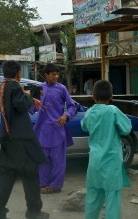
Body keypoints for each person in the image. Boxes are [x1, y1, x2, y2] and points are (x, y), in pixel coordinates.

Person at [0, 60, 49, 219]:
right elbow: (20, 105)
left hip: (9, 139)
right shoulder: (14, 86)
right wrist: (31, 95)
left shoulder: (4, 86)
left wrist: (26, 95)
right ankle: (34, 211)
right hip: (22, 140)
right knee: (30, 176)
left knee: (6, 176)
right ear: (18, 73)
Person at [80, 80, 132, 219]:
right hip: (111, 162)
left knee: (93, 196)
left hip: (95, 162)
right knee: (112, 197)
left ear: (93, 95)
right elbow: (127, 129)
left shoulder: (90, 112)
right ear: (111, 96)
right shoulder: (113, 111)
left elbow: (84, 126)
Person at [32, 63, 77, 194]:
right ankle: (42, 184)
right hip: (42, 131)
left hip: (58, 130)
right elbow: (32, 108)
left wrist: (66, 115)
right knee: (43, 160)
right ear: (46, 75)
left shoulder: (62, 88)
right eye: (53, 74)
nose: (56, 76)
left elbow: (72, 106)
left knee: (58, 162)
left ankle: (55, 186)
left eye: (57, 74)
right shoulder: (39, 88)